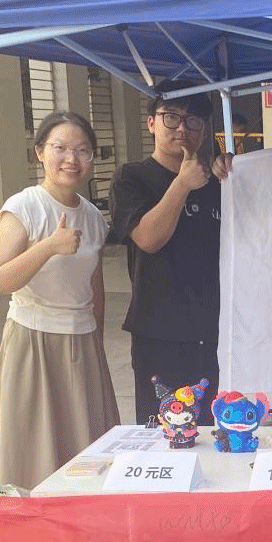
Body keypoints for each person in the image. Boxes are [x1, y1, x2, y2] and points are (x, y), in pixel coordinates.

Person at [0, 111, 120, 489]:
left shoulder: (93, 218)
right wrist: (48, 247)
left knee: (86, 454)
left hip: (82, 344)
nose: (71, 159)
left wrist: (96, 343)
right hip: (33, 343)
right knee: (32, 455)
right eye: (60, 148)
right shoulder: (23, 207)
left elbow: (94, 287)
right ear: (40, 152)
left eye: (82, 150)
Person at [109, 79, 222, 424]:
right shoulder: (131, 177)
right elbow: (148, 239)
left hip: (216, 330)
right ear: (151, 123)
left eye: (193, 121)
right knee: (165, 432)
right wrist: (182, 184)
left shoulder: (218, 183)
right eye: (171, 117)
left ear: (204, 130)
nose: (182, 129)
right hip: (160, 332)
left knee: (217, 429)